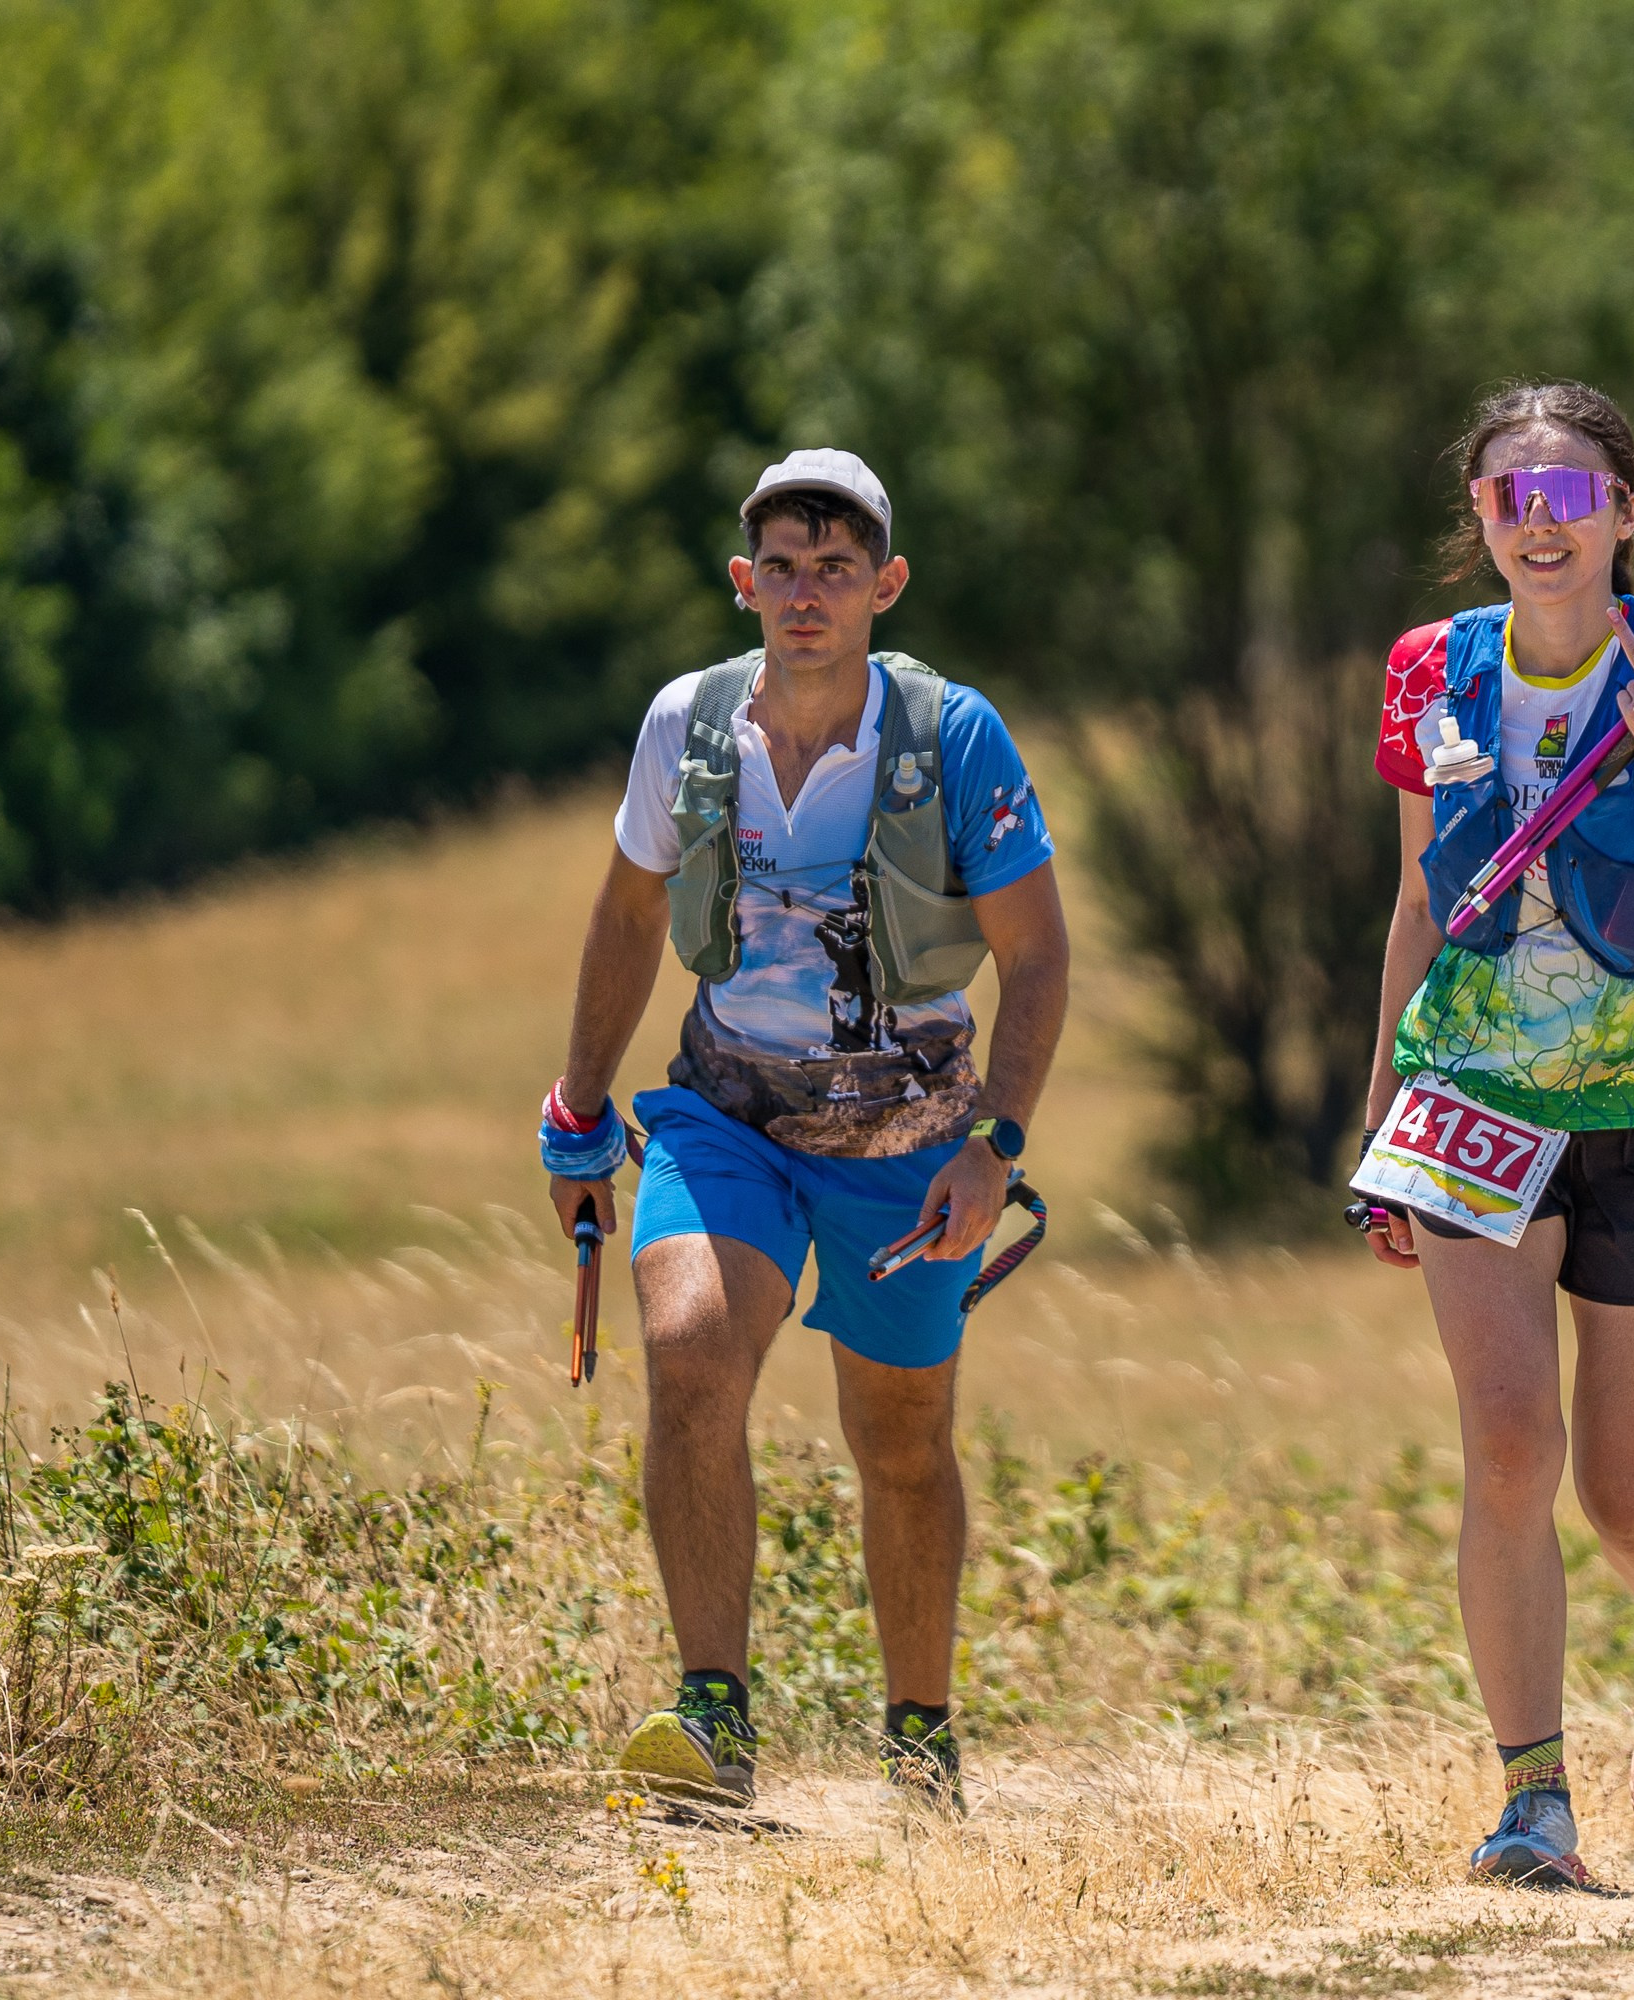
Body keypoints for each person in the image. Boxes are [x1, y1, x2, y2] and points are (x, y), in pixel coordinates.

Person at [540, 448, 1069, 1811]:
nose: (807, 595)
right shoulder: (688, 727)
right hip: (732, 1117)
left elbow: (1040, 957)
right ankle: (713, 1712)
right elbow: (629, 917)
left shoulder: (953, 738)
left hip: (915, 1147)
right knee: (690, 1347)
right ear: (742, 583)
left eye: (836, 569)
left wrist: (994, 1147)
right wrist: (579, 1114)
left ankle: (921, 1735)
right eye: (781, 567)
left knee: (898, 1438)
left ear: (886, 584)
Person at [1359, 382, 1634, 1885]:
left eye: (1570, 496)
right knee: (1505, 1450)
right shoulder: (1431, 673)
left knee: (1623, 1495)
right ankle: (1532, 1802)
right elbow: (1422, 902)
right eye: (1508, 500)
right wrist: (1382, 1116)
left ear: (1625, 513)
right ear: (1479, 522)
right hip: (1472, 1101)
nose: (1540, 526)